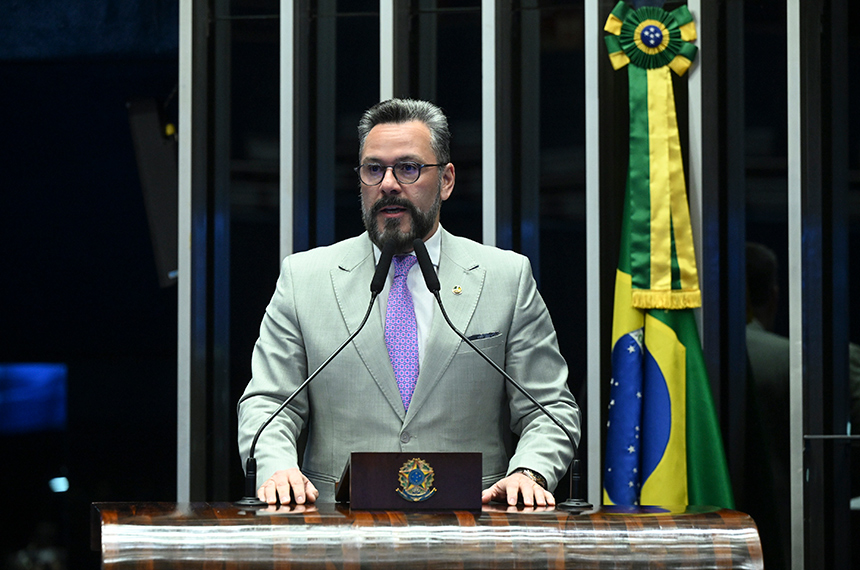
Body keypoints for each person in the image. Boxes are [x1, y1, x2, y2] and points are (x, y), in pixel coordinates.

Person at [237, 98, 580, 507]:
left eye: (408, 168)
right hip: (336, 530)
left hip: (471, 528)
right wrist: (277, 466)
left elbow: (549, 410)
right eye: (373, 169)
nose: (388, 184)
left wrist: (529, 471)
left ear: (447, 180)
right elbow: (268, 404)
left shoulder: (505, 278)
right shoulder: (304, 279)